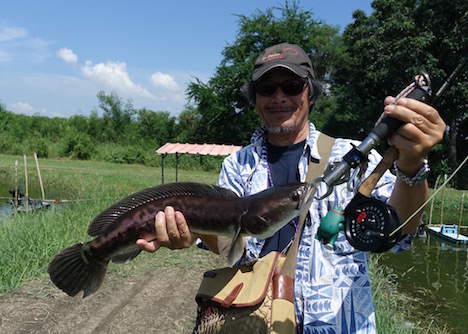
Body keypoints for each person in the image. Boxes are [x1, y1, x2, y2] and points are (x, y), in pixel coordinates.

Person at [137, 43, 446, 333]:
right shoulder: (237, 165)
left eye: (292, 86)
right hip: (255, 322)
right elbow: (230, 247)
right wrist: (191, 228)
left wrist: (412, 165)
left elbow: (401, 233)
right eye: (267, 88)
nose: (279, 97)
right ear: (255, 97)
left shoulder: (352, 156)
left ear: (310, 92)